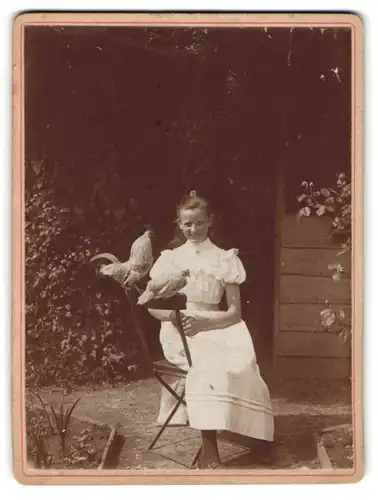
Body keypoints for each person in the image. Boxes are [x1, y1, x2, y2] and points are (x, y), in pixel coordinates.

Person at [147, 190, 274, 469]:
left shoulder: (225, 258)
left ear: (210, 222)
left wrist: (208, 322)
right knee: (208, 365)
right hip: (181, 326)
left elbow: (234, 311)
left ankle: (256, 434)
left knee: (240, 364)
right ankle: (209, 447)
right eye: (187, 224)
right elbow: (152, 307)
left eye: (199, 223)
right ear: (179, 224)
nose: (193, 229)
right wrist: (175, 317)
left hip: (219, 323)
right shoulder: (171, 258)